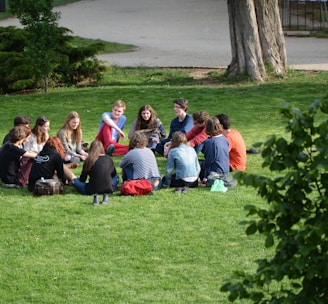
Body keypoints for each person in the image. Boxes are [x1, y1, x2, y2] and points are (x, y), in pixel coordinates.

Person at [72, 140, 119, 205]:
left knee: (75, 181)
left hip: (91, 189)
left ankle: (96, 196)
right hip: (108, 187)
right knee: (117, 177)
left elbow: (82, 179)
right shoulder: (108, 159)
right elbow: (114, 174)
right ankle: (105, 195)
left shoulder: (89, 160)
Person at [199, 117, 231, 185]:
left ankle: (203, 180)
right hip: (225, 169)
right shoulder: (224, 139)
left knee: (202, 165)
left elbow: (209, 160)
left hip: (215, 171)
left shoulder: (210, 142)